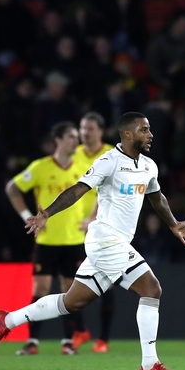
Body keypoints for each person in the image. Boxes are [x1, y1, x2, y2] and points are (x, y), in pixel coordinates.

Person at [0, 112, 185, 370]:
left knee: (70, 303)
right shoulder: (109, 161)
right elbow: (78, 189)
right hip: (105, 240)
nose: (150, 135)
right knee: (152, 289)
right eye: (144, 130)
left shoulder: (148, 166)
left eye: (149, 130)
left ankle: (8, 319)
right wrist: (46, 214)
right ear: (128, 134)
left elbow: (157, 196)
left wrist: (173, 223)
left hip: (115, 243)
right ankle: (150, 364)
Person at [4, 121, 90, 356]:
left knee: (70, 292)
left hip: (74, 240)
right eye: (72, 137)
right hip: (47, 241)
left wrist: (93, 217)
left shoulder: (83, 166)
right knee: (40, 289)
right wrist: (26, 216)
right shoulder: (40, 167)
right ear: (58, 140)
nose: (77, 141)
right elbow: (12, 187)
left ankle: (67, 342)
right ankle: (32, 341)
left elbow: (102, 193)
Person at [72, 111, 116, 353]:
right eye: (82, 128)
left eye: (89, 128)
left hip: (103, 228)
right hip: (74, 231)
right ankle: (80, 330)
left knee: (106, 284)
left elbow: (108, 189)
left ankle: (103, 339)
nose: (84, 133)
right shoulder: (75, 155)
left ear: (100, 130)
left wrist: (92, 217)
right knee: (71, 281)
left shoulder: (111, 154)